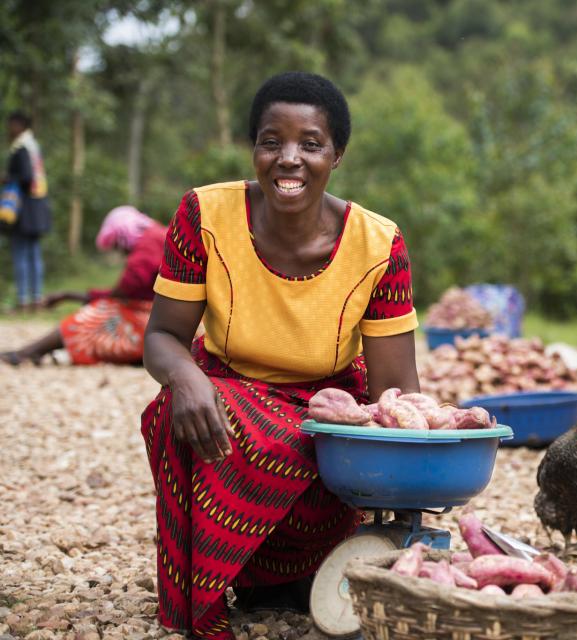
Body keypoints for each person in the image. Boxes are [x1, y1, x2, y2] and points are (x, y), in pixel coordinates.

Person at [140, 72, 420, 639]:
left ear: (337, 155)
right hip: (228, 389)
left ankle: (287, 570)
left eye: (310, 144)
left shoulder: (378, 243)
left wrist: (419, 482)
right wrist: (187, 379)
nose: (289, 159)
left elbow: (395, 393)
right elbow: (161, 336)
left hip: (328, 406)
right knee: (178, 413)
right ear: (255, 149)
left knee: (306, 444)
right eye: (272, 142)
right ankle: (207, 592)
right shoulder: (204, 216)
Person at [0, 206, 166, 365]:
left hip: (159, 323)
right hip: (167, 319)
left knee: (100, 312)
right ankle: (33, 352)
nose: (121, 251)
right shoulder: (156, 235)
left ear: (123, 233)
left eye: (116, 244)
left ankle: (31, 352)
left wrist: (67, 296)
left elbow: (121, 292)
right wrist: (68, 296)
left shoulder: (147, 246)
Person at [4, 111, 52, 310]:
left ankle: (23, 299)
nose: (9, 129)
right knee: (33, 254)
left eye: (11, 124)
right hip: (37, 208)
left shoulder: (21, 148)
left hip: (24, 210)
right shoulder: (33, 145)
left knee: (22, 253)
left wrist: (6, 178)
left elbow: (25, 177)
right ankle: (36, 298)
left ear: (19, 125)